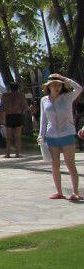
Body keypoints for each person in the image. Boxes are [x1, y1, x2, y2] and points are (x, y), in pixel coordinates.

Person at [38, 73, 84, 201]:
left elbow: (79, 88)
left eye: (59, 85)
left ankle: (75, 192)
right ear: (48, 87)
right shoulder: (44, 100)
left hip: (67, 134)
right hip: (51, 136)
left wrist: (64, 78)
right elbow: (43, 119)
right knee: (55, 165)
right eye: (53, 85)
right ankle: (59, 192)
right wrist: (41, 135)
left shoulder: (67, 97)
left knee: (70, 164)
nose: (57, 87)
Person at [0, 82, 26, 158]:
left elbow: (1, 107)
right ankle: (17, 153)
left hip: (9, 116)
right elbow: (24, 106)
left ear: (9, 88)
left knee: (9, 137)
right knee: (18, 137)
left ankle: (7, 153)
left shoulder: (5, 95)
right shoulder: (21, 95)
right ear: (17, 88)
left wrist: (1, 118)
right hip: (18, 116)